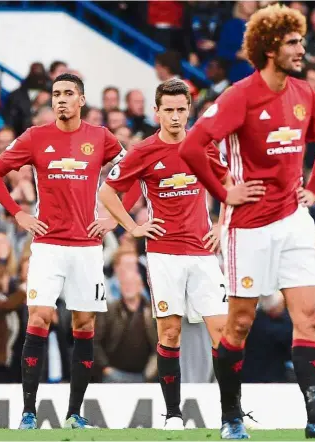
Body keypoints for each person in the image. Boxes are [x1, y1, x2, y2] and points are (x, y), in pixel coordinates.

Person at [179, 4, 315, 439]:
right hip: (249, 227)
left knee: (312, 316)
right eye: (293, 43)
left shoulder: (304, 93)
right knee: (240, 323)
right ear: (268, 48)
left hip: (294, 220)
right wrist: (224, 192)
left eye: (301, 40)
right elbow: (192, 147)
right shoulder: (238, 96)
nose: (302, 49)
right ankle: (230, 418)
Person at [97, 79, 264, 430]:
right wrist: (133, 227)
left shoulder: (202, 146)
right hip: (163, 254)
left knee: (224, 331)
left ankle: (231, 416)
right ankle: (173, 415)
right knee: (169, 333)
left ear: (189, 110)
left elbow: (231, 186)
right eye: (168, 110)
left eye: (180, 109)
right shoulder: (142, 151)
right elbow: (108, 193)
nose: (175, 117)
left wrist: (221, 225)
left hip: (204, 254)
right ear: (156, 112)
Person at [0, 73, 126, 430]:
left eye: (68, 94)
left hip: (87, 247)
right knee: (39, 317)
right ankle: (29, 413)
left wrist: (113, 218)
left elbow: (136, 172)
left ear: (81, 100)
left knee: (84, 323)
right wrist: (18, 214)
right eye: (56, 94)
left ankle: (75, 413)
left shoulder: (100, 137)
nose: (60, 99)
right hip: (47, 245)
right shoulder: (36, 136)